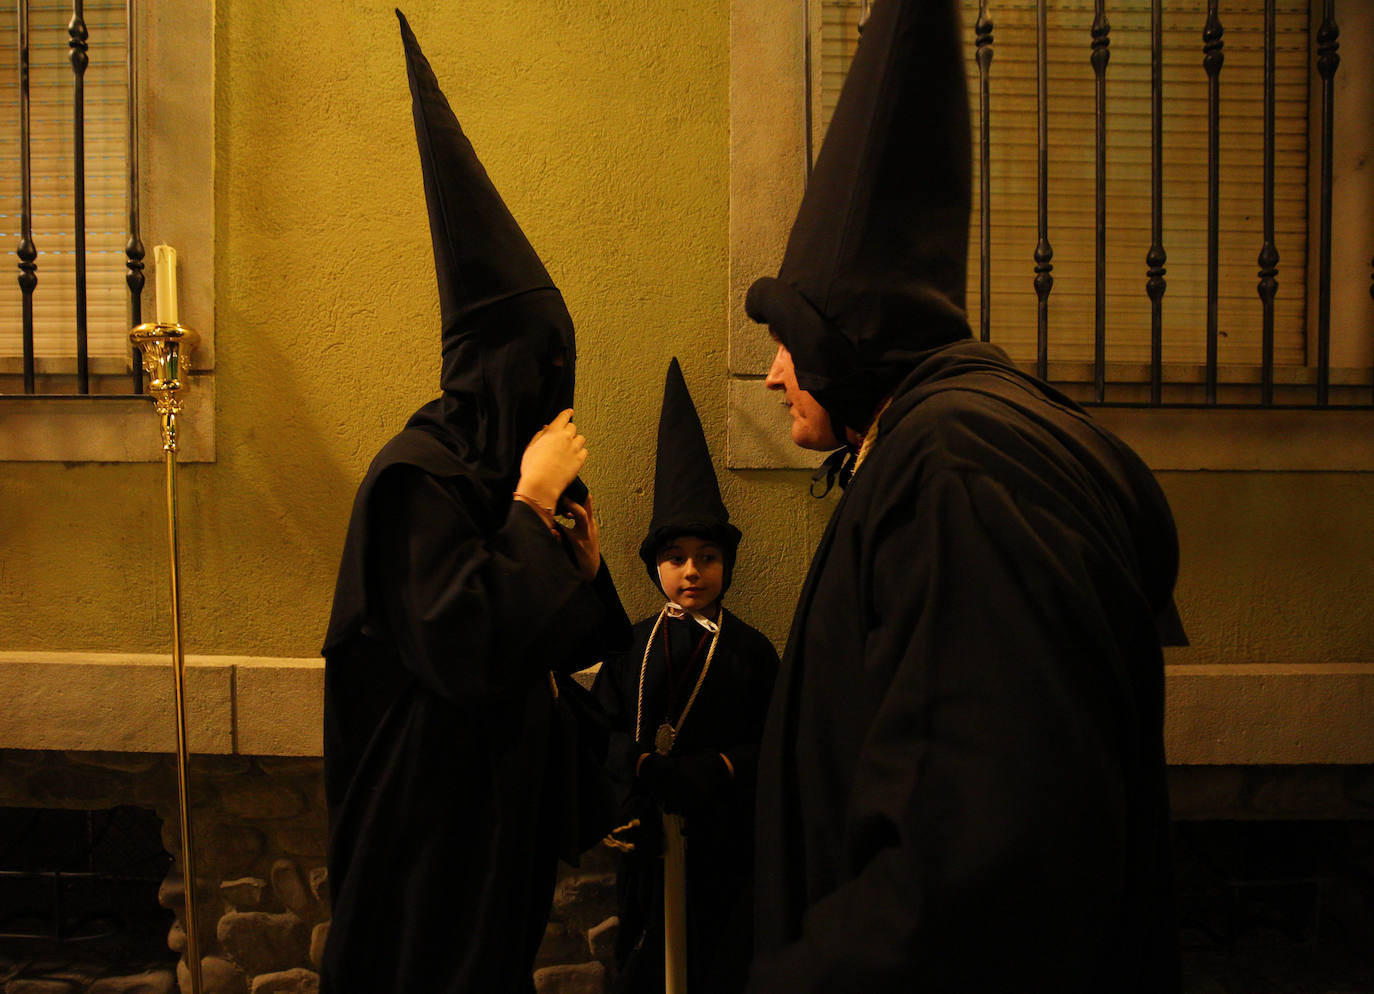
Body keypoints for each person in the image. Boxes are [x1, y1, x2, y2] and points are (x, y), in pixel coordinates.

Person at [741, 1, 1184, 991]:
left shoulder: (958, 473)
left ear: (851, 331)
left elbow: (971, 870)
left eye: (790, 338)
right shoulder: (964, 442)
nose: (774, 375)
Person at [319, 13, 630, 993]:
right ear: (498, 376)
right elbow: (460, 647)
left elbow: (566, 647)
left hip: (494, 826)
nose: (554, 395)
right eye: (542, 372)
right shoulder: (417, 479)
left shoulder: (488, 485)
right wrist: (531, 509)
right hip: (425, 835)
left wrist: (578, 567)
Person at [593, 359, 779, 994]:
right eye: (676, 559)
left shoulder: (751, 652)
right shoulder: (633, 645)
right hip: (646, 838)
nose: (692, 572)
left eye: (706, 558)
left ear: (726, 565)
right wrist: (637, 771)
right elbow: (601, 725)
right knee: (646, 954)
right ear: (656, 567)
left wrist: (718, 769)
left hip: (722, 841)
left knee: (715, 958)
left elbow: (775, 741)